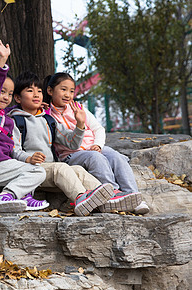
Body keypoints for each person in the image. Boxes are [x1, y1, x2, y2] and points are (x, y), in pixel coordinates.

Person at [9, 71, 120, 216]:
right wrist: (28, 158)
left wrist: (80, 125)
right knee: (61, 168)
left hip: (52, 170)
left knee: (78, 171)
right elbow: (13, 150)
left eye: (39, 91)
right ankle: (80, 199)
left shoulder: (48, 120)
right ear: (17, 97)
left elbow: (72, 143)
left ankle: (111, 198)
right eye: (30, 91)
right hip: (33, 171)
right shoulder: (14, 121)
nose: (36, 94)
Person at [43, 72, 149, 214]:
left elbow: (98, 128)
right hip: (72, 155)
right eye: (63, 89)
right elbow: (68, 142)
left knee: (114, 155)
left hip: (92, 148)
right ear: (50, 91)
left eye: (71, 91)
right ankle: (113, 195)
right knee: (95, 157)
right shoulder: (48, 115)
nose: (68, 94)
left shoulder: (79, 108)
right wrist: (79, 123)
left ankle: (134, 196)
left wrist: (98, 144)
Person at [0, 39, 47, 212]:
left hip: (0, 167)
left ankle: (25, 196)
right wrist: (1, 61)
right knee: (38, 172)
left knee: (33, 167)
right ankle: (7, 196)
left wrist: (37, 107)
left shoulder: (7, 118)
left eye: (10, 94)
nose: (5, 97)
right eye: (2, 91)